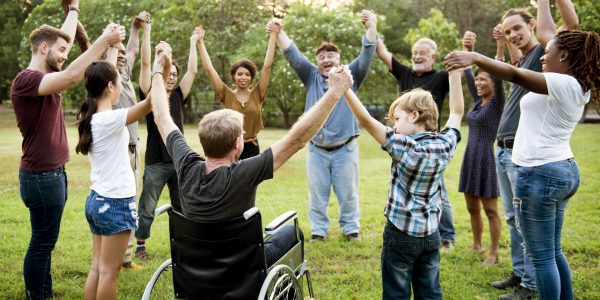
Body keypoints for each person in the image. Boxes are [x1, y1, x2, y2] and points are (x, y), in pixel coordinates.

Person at [149, 39, 355, 266]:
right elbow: (296, 139)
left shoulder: (186, 166)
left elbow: (161, 117)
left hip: (196, 265)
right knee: (291, 233)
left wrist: (158, 68)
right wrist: (335, 92)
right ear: (238, 145)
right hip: (242, 265)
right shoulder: (246, 172)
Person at [446, 1, 598, 299]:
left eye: (549, 52)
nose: (544, 56)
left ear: (564, 55)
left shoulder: (560, 82)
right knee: (552, 251)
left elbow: (514, 75)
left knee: (542, 257)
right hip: (560, 169)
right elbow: (545, 33)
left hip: (540, 173)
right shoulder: (576, 83)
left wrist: (475, 56)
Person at [10, 1, 124, 296]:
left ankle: (44, 291)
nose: (66, 55)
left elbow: (67, 46)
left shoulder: (46, 80)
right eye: (61, 51)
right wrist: (105, 40)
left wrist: (73, 9)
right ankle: (37, 295)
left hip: (52, 175)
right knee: (42, 242)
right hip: (41, 177)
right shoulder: (27, 80)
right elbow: (74, 74)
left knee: (46, 240)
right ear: (44, 48)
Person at [342, 67, 464, 299]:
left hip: (400, 234)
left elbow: (366, 121)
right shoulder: (445, 144)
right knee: (429, 291)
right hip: (431, 235)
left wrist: (346, 89)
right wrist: (455, 75)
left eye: (397, 119)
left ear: (415, 116)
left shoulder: (404, 146)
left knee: (396, 292)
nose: (395, 126)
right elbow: (457, 112)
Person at [269, 10, 378, 241]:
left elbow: (368, 52)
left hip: (345, 149)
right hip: (317, 149)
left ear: (338, 58)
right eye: (322, 57)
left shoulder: (351, 75)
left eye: (331, 55)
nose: (326, 59)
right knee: (317, 195)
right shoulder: (310, 76)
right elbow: (292, 53)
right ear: (317, 61)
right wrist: (279, 32)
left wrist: (371, 27)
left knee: (348, 194)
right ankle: (319, 231)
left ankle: (351, 229)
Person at [75, 41, 163, 299]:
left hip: (97, 200)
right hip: (115, 203)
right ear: (110, 87)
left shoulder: (92, 117)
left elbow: (105, 75)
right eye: (118, 83)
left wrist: (112, 47)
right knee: (109, 272)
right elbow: (149, 103)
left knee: (98, 268)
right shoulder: (111, 119)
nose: (121, 87)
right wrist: (159, 64)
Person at [375, 34, 456, 251]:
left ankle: (446, 237)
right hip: (403, 143)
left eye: (422, 53)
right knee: (403, 187)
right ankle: (407, 227)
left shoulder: (439, 78)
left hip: (428, 146)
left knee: (439, 192)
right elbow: (382, 53)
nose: (417, 56)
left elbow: (460, 82)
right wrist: (371, 28)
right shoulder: (404, 73)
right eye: (415, 53)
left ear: (433, 56)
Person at [134, 26, 201, 260]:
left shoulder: (180, 96)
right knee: (147, 206)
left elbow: (192, 70)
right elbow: (144, 67)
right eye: (167, 73)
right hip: (156, 162)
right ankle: (140, 244)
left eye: (174, 74)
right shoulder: (151, 95)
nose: (171, 76)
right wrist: (155, 52)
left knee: (182, 206)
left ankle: (183, 244)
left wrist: (194, 42)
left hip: (179, 160)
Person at [197, 21, 277, 159]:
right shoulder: (226, 94)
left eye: (247, 74)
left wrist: (273, 36)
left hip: (252, 147)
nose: (243, 77)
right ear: (234, 76)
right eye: (240, 74)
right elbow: (210, 70)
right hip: (229, 146)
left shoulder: (258, 94)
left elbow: (267, 67)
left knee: (250, 180)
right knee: (229, 180)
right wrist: (200, 43)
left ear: (252, 78)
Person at [458, 30, 505, 266]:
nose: (478, 82)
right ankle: (477, 245)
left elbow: (498, 73)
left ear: (492, 83)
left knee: (491, 210)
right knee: (471, 207)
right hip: (470, 157)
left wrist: (499, 47)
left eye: (483, 79)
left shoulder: (497, 103)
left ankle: (494, 252)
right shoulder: (478, 102)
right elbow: (467, 73)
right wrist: (468, 49)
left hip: (486, 157)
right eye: (477, 80)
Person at [111, 11, 151, 270]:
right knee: (121, 199)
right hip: (118, 148)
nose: (124, 56)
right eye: (118, 52)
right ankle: (118, 258)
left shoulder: (123, 76)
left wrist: (135, 29)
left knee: (129, 199)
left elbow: (133, 52)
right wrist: (112, 43)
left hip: (133, 146)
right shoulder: (106, 77)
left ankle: (124, 258)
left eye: (125, 52)